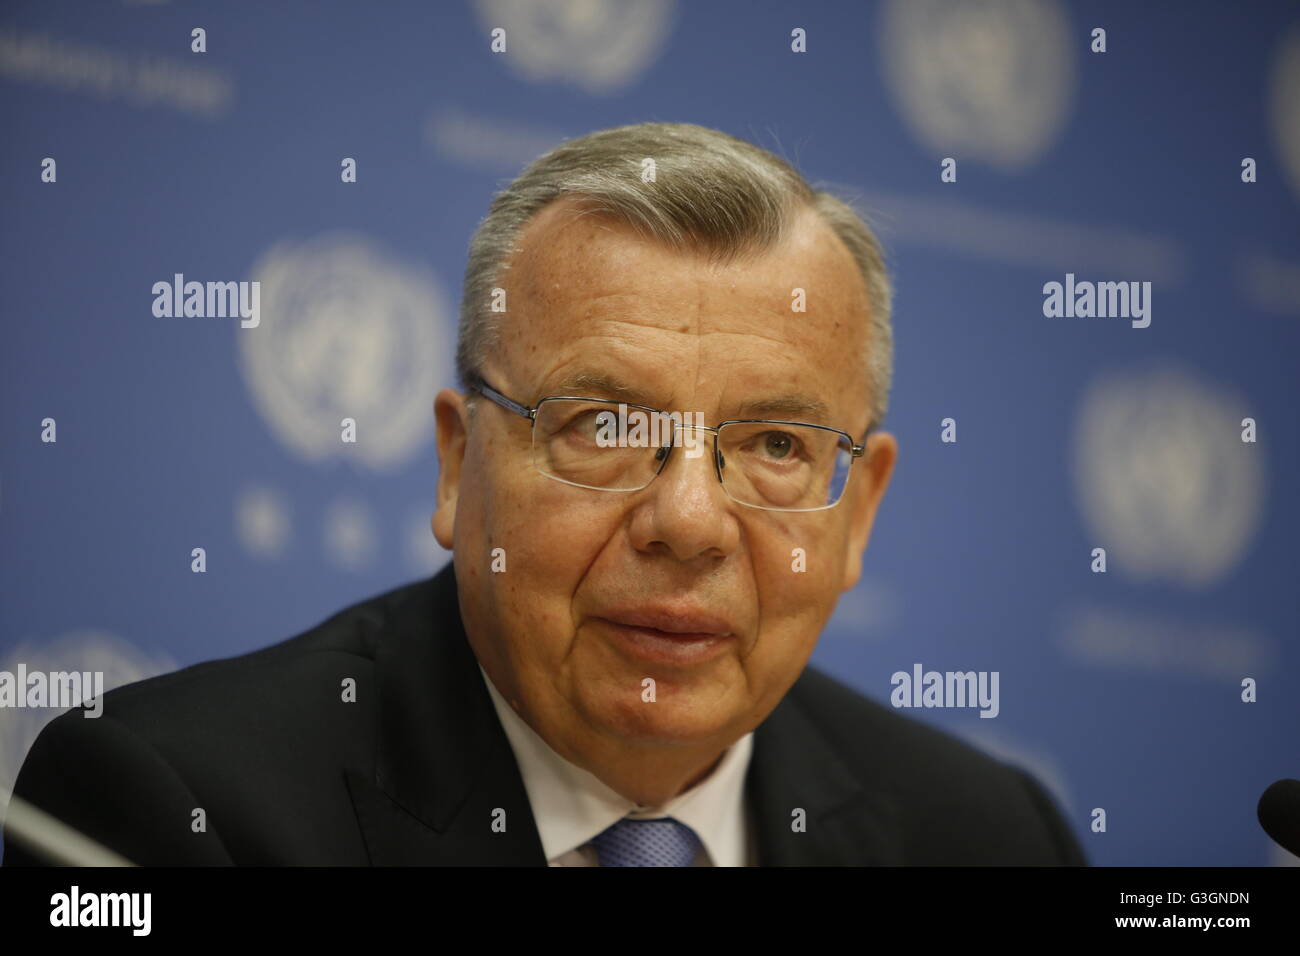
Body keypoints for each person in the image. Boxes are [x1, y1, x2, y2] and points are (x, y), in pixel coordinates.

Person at [3, 122, 1085, 866]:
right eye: (604, 426)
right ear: (455, 462)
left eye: (773, 443)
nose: (690, 523)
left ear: (857, 513)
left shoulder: (985, 835)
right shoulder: (174, 810)